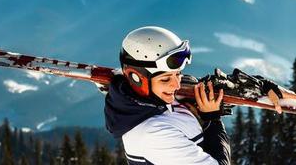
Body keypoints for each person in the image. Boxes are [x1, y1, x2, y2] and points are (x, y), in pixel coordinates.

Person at [103, 26, 282, 165]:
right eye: (166, 79)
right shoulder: (152, 133)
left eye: (178, 74)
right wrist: (212, 120)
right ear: (137, 78)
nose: (177, 85)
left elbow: (217, 86)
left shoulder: (155, 99)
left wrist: (262, 85)